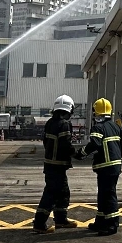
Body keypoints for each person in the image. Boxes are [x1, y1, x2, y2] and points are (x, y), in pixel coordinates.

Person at [34, 95, 79, 234]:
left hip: (50, 165)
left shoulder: (50, 123)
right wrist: (77, 154)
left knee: (63, 192)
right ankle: (39, 223)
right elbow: (66, 145)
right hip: (58, 166)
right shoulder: (64, 124)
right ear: (69, 109)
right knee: (51, 194)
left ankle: (61, 220)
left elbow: (46, 142)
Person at [83, 97, 122, 236]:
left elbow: (94, 144)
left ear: (96, 113)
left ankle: (112, 224)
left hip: (106, 166)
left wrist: (80, 153)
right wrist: (119, 157)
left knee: (108, 194)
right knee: (103, 194)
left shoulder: (98, 127)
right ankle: (100, 221)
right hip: (114, 166)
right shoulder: (117, 127)